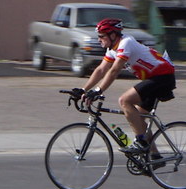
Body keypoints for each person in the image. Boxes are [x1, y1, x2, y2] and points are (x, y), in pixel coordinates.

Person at [73, 18, 176, 155]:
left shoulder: (126, 43)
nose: (99, 40)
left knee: (124, 100)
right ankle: (155, 156)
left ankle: (140, 142)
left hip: (163, 76)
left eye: (101, 36)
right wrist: (83, 90)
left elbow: (114, 71)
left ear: (113, 35)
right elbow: (100, 70)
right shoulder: (112, 50)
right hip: (153, 79)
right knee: (138, 118)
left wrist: (98, 90)